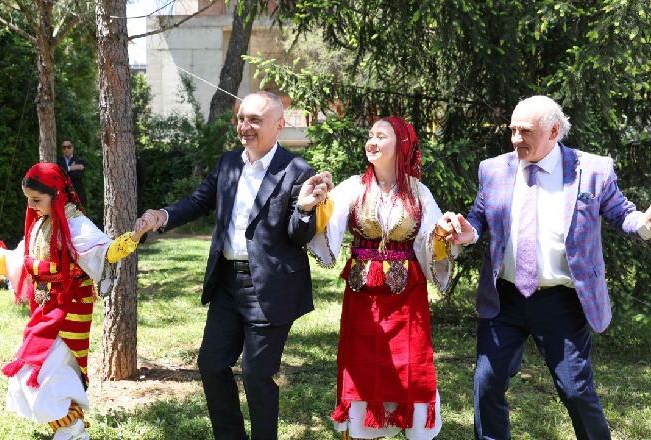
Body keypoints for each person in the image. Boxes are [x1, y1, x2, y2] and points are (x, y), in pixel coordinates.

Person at [440, 95, 651, 439]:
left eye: (525, 131)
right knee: (487, 383)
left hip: (561, 302)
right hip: (504, 298)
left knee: (576, 391)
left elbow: (621, 212)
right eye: (512, 130)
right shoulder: (493, 169)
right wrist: (469, 232)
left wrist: (644, 223)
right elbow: (478, 216)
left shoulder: (592, 170)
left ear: (553, 131)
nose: (515, 139)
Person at [139, 91, 331, 440]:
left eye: (255, 119)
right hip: (227, 283)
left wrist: (304, 208)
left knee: (256, 375)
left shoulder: (297, 170)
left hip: (271, 287)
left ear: (279, 125)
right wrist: (162, 216)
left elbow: (298, 235)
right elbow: (199, 201)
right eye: (242, 118)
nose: (245, 126)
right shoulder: (228, 162)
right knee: (211, 364)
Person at [306, 116, 462, 439]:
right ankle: (363, 430)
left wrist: (444, 235)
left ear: (402, 145)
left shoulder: (418, 192)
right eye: (370, 135)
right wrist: (319, 201)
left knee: (410, 361)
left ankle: (412, 425)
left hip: (407, 298)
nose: (372, 141)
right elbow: (328, 223)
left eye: (381, 135)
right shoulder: (354, 186)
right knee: (361, 361)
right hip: (363, 295)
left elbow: (430, 240)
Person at [0, 162, 149, 440]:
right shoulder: (41, 222)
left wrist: (133, 237)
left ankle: (72, 431)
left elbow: (106, 252)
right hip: (45, 310)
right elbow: (20, 257)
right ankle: (72, 430)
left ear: (56, 194)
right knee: (39, 372)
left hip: (67, 310)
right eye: (28, 199)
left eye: (36, 199)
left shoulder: (75, 223)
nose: (31, 206)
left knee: (45, 373)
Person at [57, 139, 88, 208]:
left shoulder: (79, 161)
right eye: (64, 147)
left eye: (69, 147)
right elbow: (58, 175)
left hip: (77, 196)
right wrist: (70, 168)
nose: (66, 149)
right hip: (62, 196)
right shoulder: (57, 161)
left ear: (72, 147)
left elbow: (77, 176)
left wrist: (64, 172)